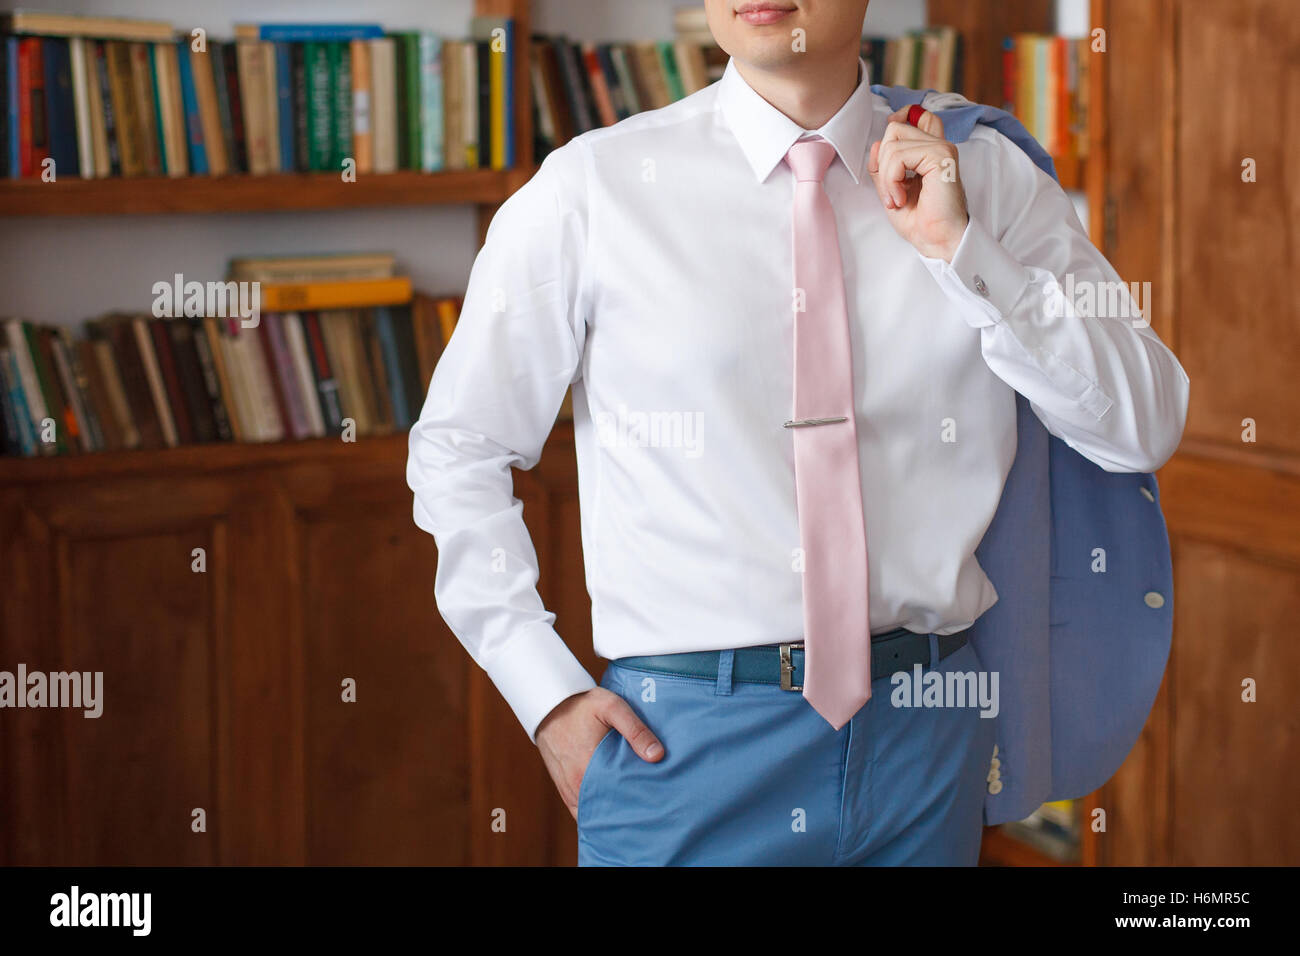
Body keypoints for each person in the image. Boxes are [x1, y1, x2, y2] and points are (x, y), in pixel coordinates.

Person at [407, 0, 1190, 865]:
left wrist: (964, 253)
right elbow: (460, 447)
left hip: (928, 737)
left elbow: (1142, 424)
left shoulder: (990, 179)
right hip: (687, 746)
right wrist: (544, 694)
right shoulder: (593, 189)